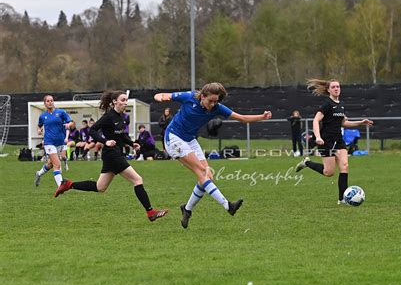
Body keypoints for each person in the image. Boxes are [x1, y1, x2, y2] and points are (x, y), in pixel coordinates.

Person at [154, 82, 272, 228]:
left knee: (207, 177)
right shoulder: (189, 97)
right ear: (202, 96)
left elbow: (241, 118)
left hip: (189, 139)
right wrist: (160, 96)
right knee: (203, 172)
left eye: (216, 101)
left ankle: (187, 209)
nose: (213, 104)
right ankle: (228, 206)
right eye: (210, 101)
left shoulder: (216, 108)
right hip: (174, 138)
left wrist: (262, 117)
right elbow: (165, 95)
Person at [53, 90, 168, 222]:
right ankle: (150, 212)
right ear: (115, 102)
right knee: (138, 180)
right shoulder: (109, 116)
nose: (125, 102)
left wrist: (132, 143)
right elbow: (92, 130)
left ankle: (68, 184)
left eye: (126, 100)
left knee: (100, 187)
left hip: (113, 154)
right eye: (123, 100)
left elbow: (121, 135)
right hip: (112, 154)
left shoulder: (122, 117)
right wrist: (104, 141)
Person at [295, 79, 373, 204]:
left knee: (344, 166)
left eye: (338, 86)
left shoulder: (341, 104)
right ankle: (307, 163)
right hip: (327, 141)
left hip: (339, 140)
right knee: (329, 172)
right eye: (334, 87)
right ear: (329, 90)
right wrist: (318, 137)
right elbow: (316, 120)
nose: (336, 88)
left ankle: (342, 198)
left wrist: (360, 122)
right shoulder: (327, 105)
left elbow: (344, 123)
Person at [34, 95, 73, 188]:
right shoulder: (43, 116)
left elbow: (71, 122)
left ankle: (38, 174)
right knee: (57, 164)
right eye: (48, 101)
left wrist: (68, 124)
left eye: (51, 100)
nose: (50, 102)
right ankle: (61, 186)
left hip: (60, 142)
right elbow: (39, 126)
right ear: (45, 103)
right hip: (49, 142)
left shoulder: (61, 112)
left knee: (50, 164)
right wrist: (39, 130)